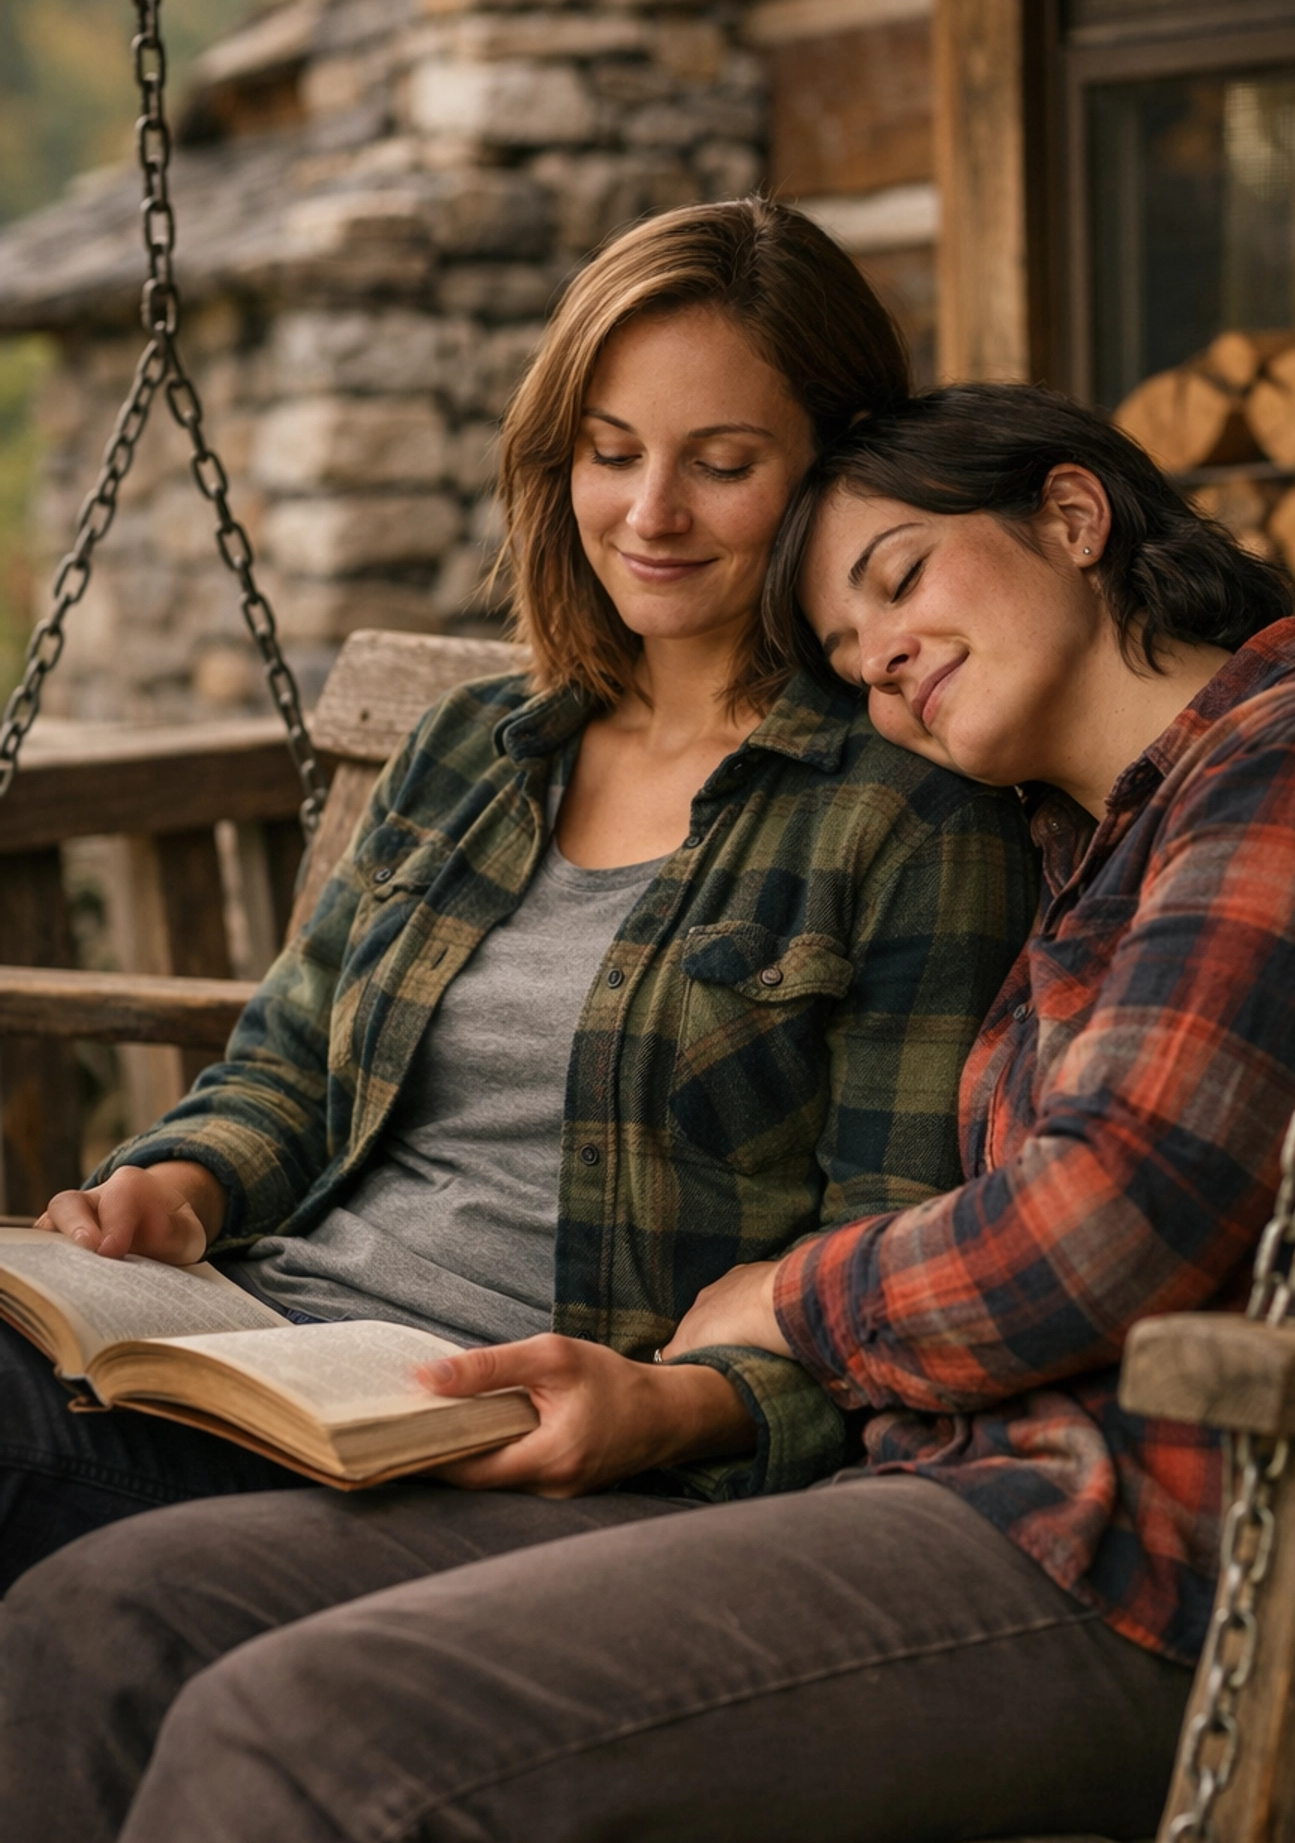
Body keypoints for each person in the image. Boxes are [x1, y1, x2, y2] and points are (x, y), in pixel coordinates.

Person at [6, 384, 1295, 1843]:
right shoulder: (1087, 839)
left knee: (315, 1741)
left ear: (1075, 521)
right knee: (108, 1617)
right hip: (967, 1502)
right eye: (843, 638)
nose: (877, 657)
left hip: (1229, 1577)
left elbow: (1103, 1225)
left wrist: (783, 1303)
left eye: (898, 578)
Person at [0, 203, 1032, 1593]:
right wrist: (177, 1186)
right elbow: (290, 1065)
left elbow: (880, 1262)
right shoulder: (478, 749)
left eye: (720, 465)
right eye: (612, 454)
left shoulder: (903, 814)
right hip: (257, 1349)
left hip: (506, 1454)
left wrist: (689, 1407)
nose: (649, 512)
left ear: (831, 477)